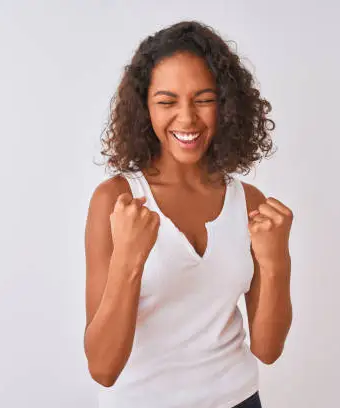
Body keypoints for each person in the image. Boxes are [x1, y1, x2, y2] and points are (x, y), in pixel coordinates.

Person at [83, 20, 293, 408]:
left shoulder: (247, 201)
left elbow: (267, 349)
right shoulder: (116, 201)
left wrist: (277, 260)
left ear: (225, 104)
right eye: (167, 102)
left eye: (203, 99)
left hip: (240, 399)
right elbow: (103, 368)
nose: (187, 119)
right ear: (145, 108)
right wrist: (129, 261)